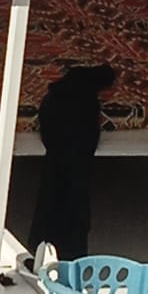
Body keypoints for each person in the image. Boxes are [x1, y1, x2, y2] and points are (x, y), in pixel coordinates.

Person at [27, 63, 116, 261]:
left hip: (57, 148)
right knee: (75, 193)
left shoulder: (55, 95)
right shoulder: (87, 101)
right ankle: (70, 251)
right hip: (77, 154)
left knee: (52, 190)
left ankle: (41, 245)